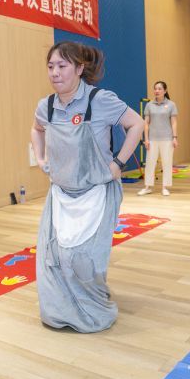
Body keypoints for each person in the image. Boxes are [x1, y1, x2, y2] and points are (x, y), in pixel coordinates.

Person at [31, 41, 144, 333]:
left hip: (96, 193)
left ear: (80, 68)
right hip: (61, 194)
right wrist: (41, 158)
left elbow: (137, 124)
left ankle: (92, 309)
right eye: (50, 66)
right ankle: (59, 312)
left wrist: (118, 164)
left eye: (62, 66)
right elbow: (36, 128)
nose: (55, 73)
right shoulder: (46, 106)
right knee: (54, 259)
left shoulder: (100, 100)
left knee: (82, 261)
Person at [138, 81, 178, 196]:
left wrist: (175, 137)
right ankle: (147, 187)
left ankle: (165, 187)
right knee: (150, 163)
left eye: (159, 89)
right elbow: (146, 123)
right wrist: (146, 139)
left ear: (165, 91)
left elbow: (174, 123)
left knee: (167, 163)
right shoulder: (149, 105)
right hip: (152, 139)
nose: (157, 91)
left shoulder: (171, 105)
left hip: (167, 139)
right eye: (155, 88)